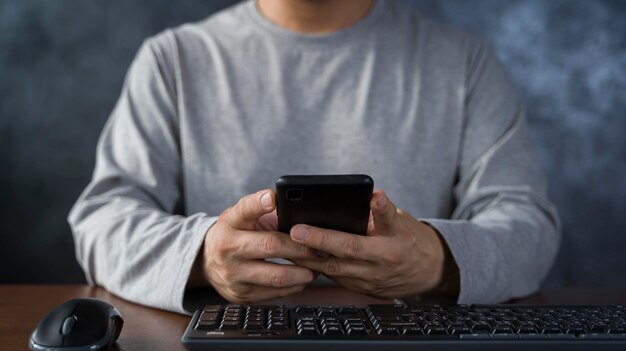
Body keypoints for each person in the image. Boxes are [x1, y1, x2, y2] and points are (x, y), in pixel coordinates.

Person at [68, 0, 560, 314]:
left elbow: (529, 226)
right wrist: (203, 256)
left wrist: (436, 262)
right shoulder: (173, 60)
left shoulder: (465, 62)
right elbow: (101, 221)